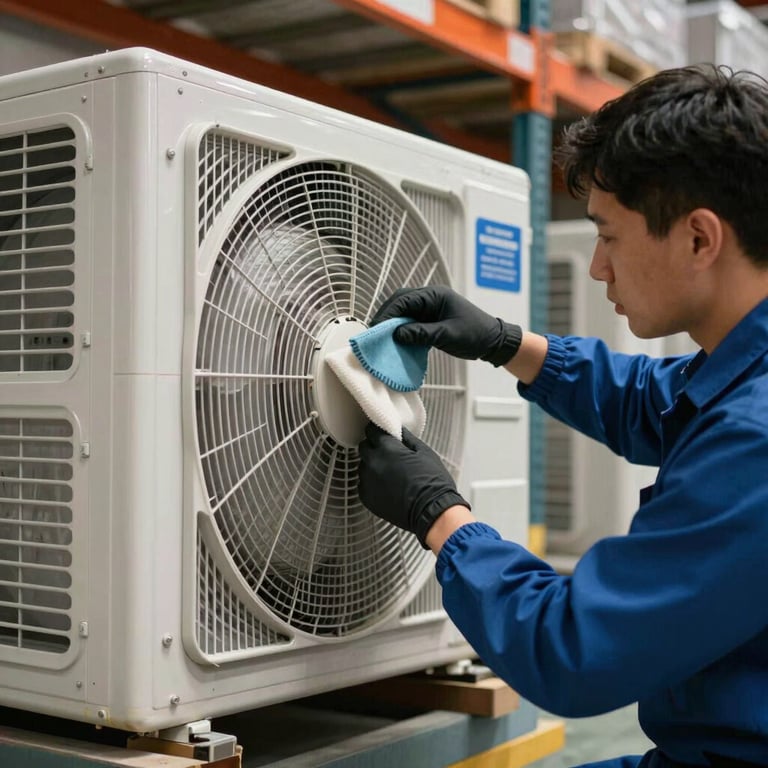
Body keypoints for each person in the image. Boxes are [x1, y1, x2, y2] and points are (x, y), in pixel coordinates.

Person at [357, 64, 768, 768]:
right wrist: (507, 343)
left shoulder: (755, 441)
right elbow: (658, 401)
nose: (597, 269)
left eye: (607, 236)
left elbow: (572, 650)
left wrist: (440, 516)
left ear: (700, 240)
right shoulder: (744, 379)